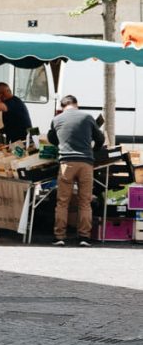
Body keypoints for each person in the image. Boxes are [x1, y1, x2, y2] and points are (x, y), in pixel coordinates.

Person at [47, 94, 105, 247]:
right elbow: (100, 138)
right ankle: (84, 237)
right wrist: (95, 150)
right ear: (76, 104)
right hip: (86, 163)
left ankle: (59, 236)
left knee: (62, 202)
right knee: (85, 202)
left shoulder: (57, 119)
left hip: (66, 163)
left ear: (62, 106)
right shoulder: (87, 117)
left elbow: (52, 139)